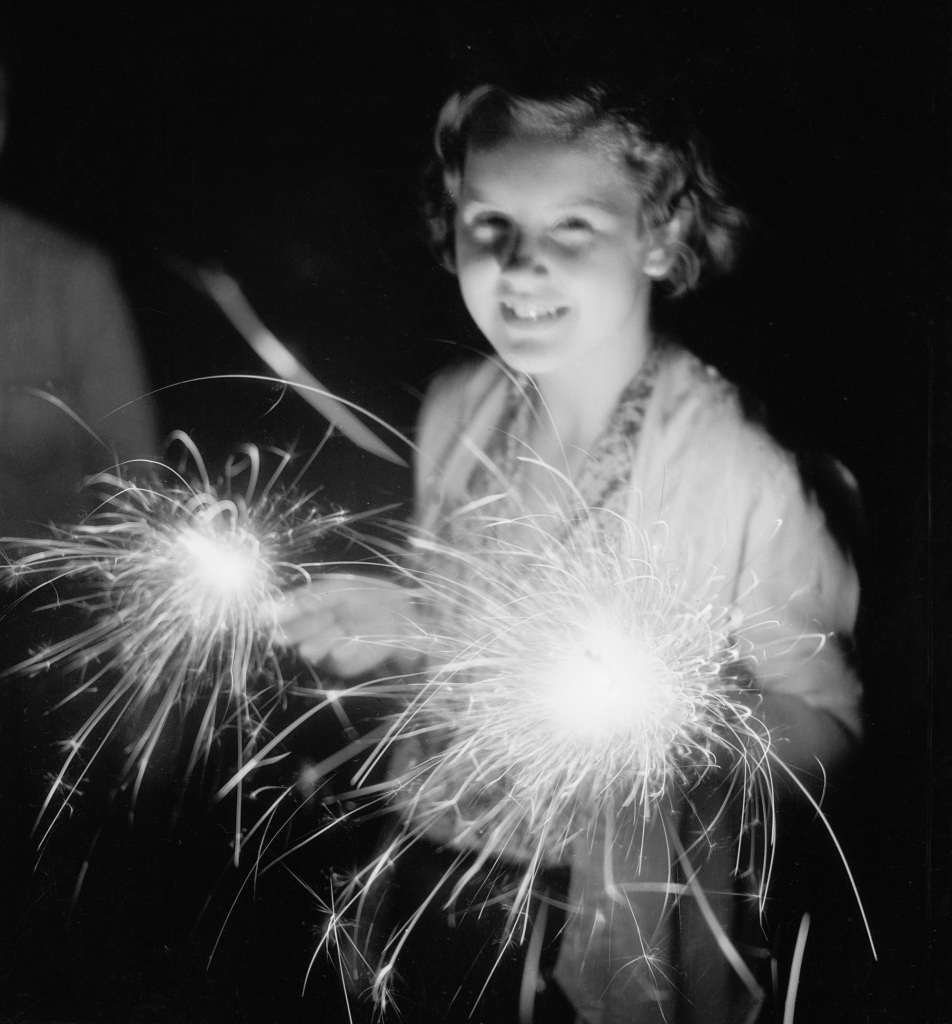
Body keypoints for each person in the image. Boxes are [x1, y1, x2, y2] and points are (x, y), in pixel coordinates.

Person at [277, 84, 862, 1023]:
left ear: (660, 236)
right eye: (490, 222)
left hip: (604, 930)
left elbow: (829, 722)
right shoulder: (459, 407)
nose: (520, 266)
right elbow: (477, 652)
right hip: (429, 882)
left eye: (574, 226)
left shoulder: (731, 470)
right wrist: (404, 625)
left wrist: (687, 722)